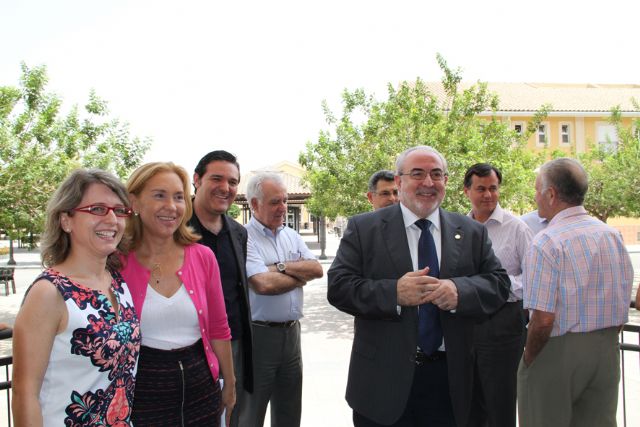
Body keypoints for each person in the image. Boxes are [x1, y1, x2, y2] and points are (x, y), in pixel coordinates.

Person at [328, 145, 510, 427]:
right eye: (417, 174)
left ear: (446, 181)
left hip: (450, 383)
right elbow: (339, 286)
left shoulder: (471, 231)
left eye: (436, 174)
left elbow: (499, 283)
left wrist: (459, 291)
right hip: (382, 383)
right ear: (399, 181)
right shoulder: (364, 228)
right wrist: (394, 293)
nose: (428, 182)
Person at [12, 169, 140, 426]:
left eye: (119, 210)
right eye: (97, 209)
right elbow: (24, 394)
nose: (112, 219)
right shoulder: (48, 293)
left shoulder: (117, 283)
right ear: (66, 220)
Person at [518, 158, 634, 427]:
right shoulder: (611, 235)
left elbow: (543, 319)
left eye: (536, 190)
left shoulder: (546, 242)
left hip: (556, 349)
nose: (535, 197)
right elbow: (621, 296)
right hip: (607, 348)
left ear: (551, 194)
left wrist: (529, 358)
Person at [120, 162, 235, 426]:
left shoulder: (203, 257)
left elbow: (219, 328)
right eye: (159, 195)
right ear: (134, 202)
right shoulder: (116, 262)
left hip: (202, 389)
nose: (171, 206)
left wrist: (229, 383)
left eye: (179, 197)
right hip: (141, 394)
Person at [240, 172, 323, 427]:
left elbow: (317, 270)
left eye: (285, 200)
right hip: (259, 337)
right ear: (255, 204)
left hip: (292, 336)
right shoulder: (244, 237)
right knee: (250, 414)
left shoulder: (292, 235)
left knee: (289, 412)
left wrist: (278, 267)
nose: (283, 207)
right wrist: (300, 276)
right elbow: (263, 284)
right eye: (275, 202)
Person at [463, 163, 533, 427]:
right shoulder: (458, 228)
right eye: (481, 189)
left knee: (499, 403)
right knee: (468, 403)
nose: (488, 195)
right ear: (467, 191)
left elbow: (533, 279)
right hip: (465, 324)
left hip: (503, 322)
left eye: (493, 188)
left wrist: (496, 287)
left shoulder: (517, 228)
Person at [189, 150, 253, 426]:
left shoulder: (239, 233)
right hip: (190, 346)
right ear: (197, 180)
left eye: (233, 182)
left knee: (231, 415)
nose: (225, 188)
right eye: (217, 178)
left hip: (233, 343)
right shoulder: (175, 227)